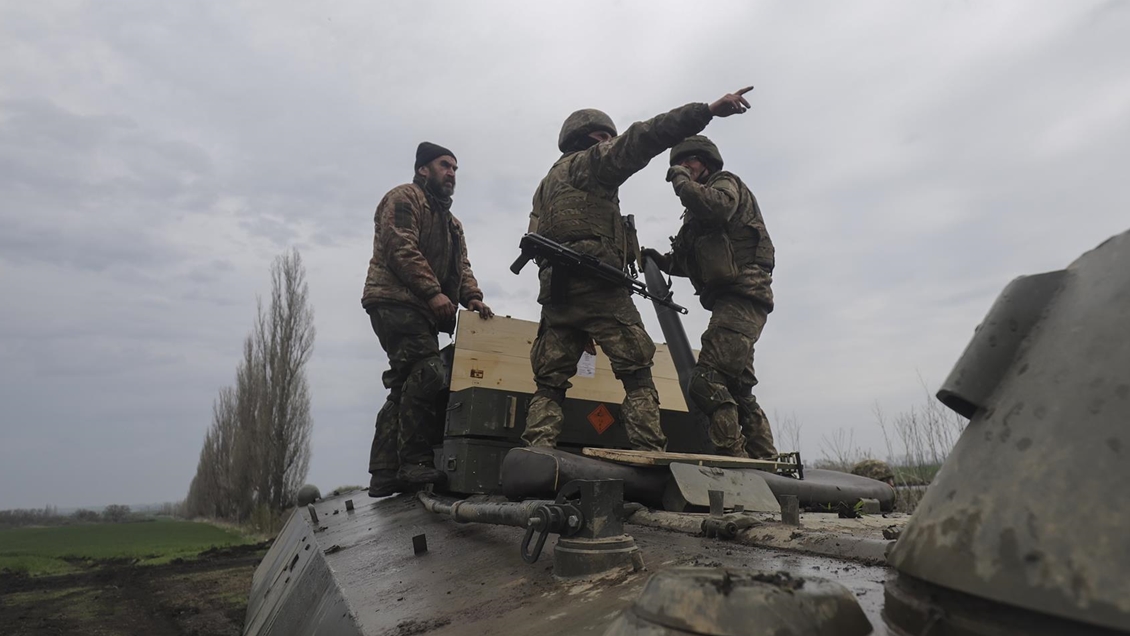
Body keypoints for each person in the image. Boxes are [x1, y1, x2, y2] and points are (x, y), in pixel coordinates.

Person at [523, 88, 754, 452]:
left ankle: (537, 450)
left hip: (556, 292)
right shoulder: (591, 163)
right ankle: (648, 451)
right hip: (598, 285)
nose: (611, 142)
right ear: (590, 138)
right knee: (637, 373)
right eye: (605, 137)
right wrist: (707, 110)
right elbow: (646, 135)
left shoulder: (546, 186)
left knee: (549, 383)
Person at [362, 142, 494, 497]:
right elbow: (400, 246)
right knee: (428, 372)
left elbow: (461, 267)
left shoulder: (452, 225)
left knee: (405, 384)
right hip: (394, 300)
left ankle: (384, 471)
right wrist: (433, 292)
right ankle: (414, 463)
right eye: (444, 165)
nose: (451, 173)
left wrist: (473, 297)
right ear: (424, 169)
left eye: (454, 168)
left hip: (421, 307)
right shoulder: (404, 198)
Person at [642, 134, 777, 458]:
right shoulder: (697, 214)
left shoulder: (724, 185)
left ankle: (734, 462)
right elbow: (695, 262)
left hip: (744, 298)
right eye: (679, 163)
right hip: (732, 301)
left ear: (707, 162)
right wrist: (661, 262)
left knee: (705, 381)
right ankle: (766, 461)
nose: (683, 168)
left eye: (690, 161)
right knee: (739, 390)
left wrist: (680, 182)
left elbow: (717, 207)